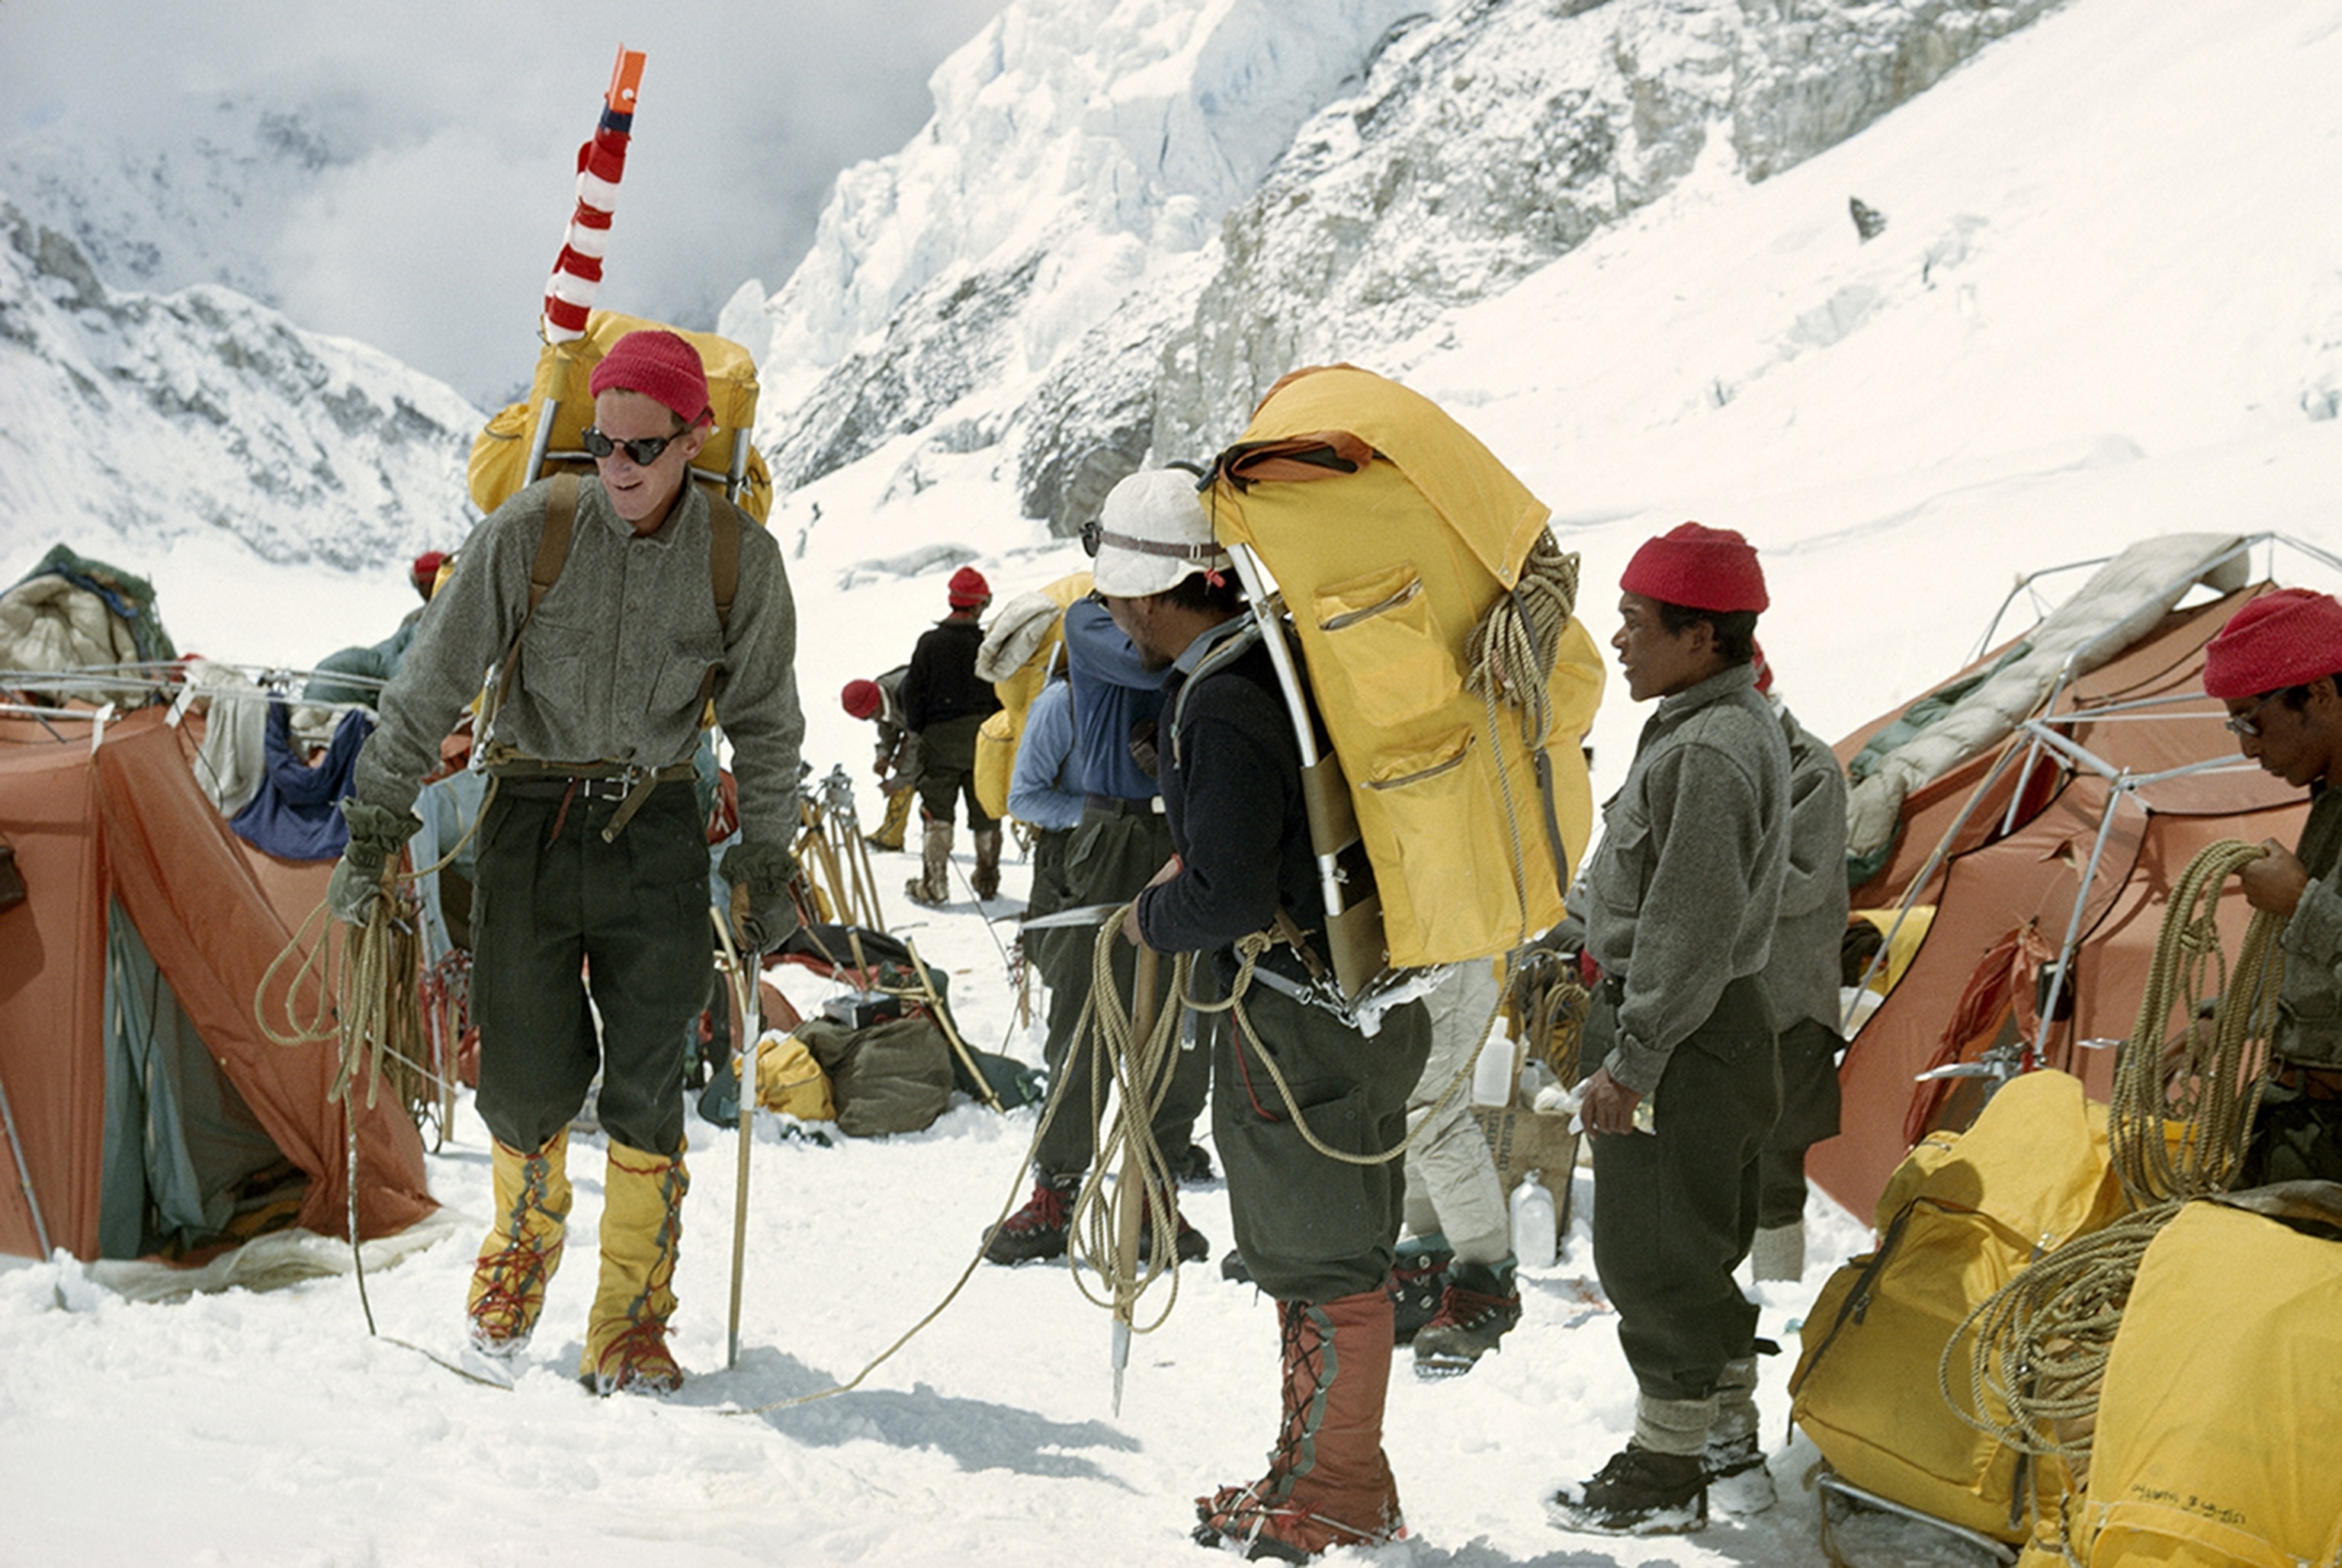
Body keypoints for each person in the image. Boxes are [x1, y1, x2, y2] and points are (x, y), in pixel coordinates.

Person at [330, 328, 805, 1396]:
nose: (620, 468)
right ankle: (516, 1264)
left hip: (659, 834)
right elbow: (431, 681)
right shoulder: (530, 530)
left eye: (644, 447)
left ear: (694, 437)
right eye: (603, 445)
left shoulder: (740, 558)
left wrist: (766, 861)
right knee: (527, 1073)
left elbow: (769, 727)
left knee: (647, 1079)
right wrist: (375, 822)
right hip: (528, 826)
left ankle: (632, 1319)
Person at [1103, 467, 1432, 1560]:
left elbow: (1229, 896)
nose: (1114, 619)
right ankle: (1334, 1473)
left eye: (1114, 600)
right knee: (1334, 1243)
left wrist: (1157, 917)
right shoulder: (1287, 659)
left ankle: (1333, 1484)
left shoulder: (1219, 701)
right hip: (1367, 1001)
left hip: (1290, 1020)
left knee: (1319, 1254)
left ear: (1152, 596)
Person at [1548, 522, 1789, 1537]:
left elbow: (1687, 931)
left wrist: (1631, 1063)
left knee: (1649, 1258)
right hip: (1718, 1027)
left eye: (1638, 623)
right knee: (1693, 1246)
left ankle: (1666, 1470)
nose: (1617, 640)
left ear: (1701, 637)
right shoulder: (1715, 726)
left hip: (1679, 1035)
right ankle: (1729, 1448)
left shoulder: (1709, 752)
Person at [983, 527, 1211, 1268]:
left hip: (1187, 826)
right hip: (1112, 834)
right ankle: (1057, 1188)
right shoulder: (1092, 615)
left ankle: (1155, 1187)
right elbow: (1164, 660)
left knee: (1185, 1024)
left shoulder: (1193, 613)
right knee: (1087, 1014)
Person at [2202, 588, 2342, 1185]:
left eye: (2251, 721)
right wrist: (2228, 1017)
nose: (2247, 747)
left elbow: (2317, 926)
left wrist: (2301, 903)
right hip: (2305, 1123)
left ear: (2319, 693)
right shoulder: (2330, 799)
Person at [1748, 644, 1850, 1289]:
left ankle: (1776, 1297)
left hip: (1788, 1004)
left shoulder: (1810, 769)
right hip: (1726, 1001)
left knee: (1774, 1167)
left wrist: (1701, 881)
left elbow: (1802, 884)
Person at [1389, 956, 1522, 1375]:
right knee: (1402, 1105)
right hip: (1415, 935)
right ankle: (1430, 1266)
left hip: (1449, 932)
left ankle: (1488, 1286)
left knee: (1434, 1115)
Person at [899, 566, 1003, 903]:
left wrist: (921, 728)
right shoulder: (988, 644)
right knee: (985, 807)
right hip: (984, 739)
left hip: (939, 739)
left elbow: (910, 692)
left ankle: (936, 885)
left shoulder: (930, 643)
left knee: (938, 812)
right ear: (981, 604)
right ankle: (988, 880)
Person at [842, 668, 919, 851]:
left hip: (954, 725)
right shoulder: (880, 694)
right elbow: (887, 726)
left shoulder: (908, 692)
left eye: (868, 717)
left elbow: (918, 743)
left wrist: (899, 780)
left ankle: (892, 838)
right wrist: (884, 756)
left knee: (911, 779)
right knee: (906, 775)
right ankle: (891, 835)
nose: (870, 721)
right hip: (919, 731)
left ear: (874, 707)